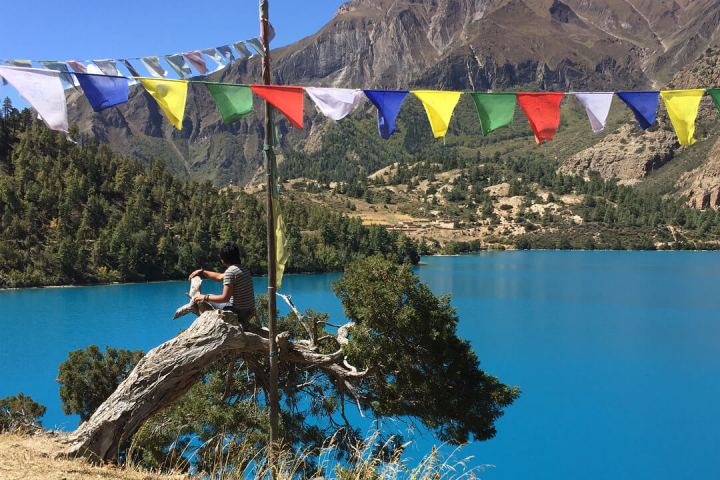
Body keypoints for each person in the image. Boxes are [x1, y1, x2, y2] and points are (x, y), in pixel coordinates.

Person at [189, 242, 256, 323]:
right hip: (248, 311)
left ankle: (206, 324)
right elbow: (220, 277)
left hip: (238, 312)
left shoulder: (231, 271)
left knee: (202, 300)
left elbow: (225, 298)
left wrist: (204, 297)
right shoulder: (242, 269)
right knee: (210, 296)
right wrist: (202, 272)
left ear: (223, 259)